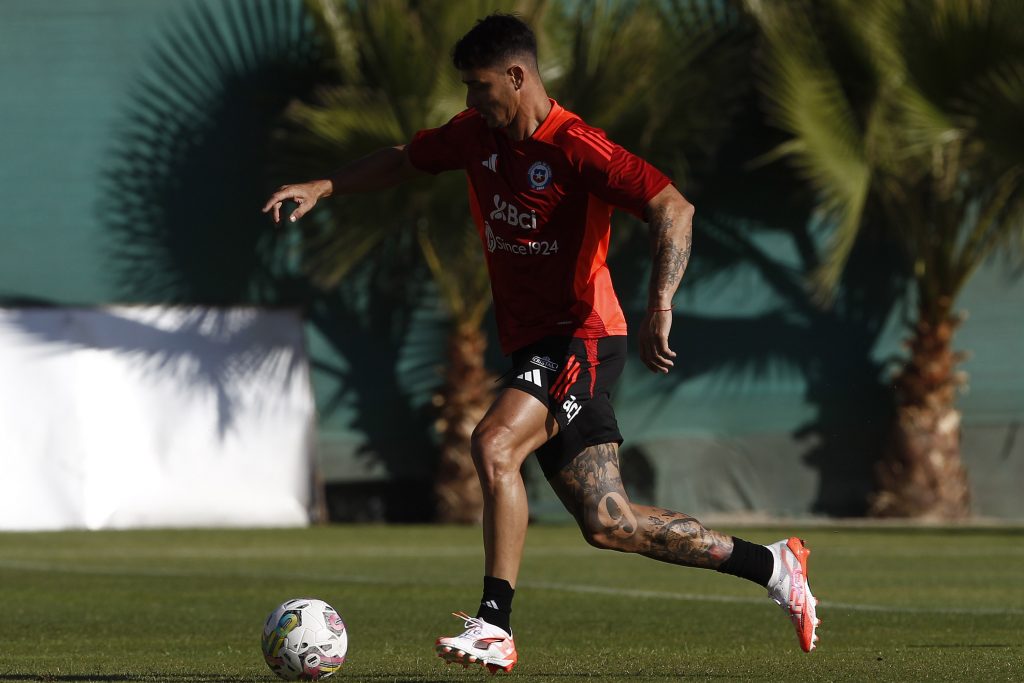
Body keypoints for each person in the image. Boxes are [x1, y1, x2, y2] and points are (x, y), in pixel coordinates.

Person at [262, 12, 819, 674]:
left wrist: (659, 305)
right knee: (610, 522)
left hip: (584, 336)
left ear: (517, 76)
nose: (470, 100)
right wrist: (326, 184)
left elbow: (674, 207)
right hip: (537, 343)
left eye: (478, 86)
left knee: (494, 442)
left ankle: (494, 623)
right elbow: (405, 160)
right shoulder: (475, 137)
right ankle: (774, 563)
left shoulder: (578, 146)